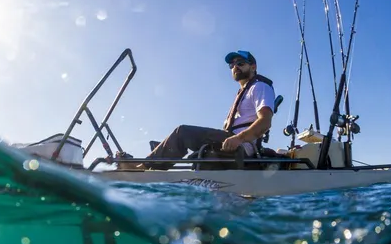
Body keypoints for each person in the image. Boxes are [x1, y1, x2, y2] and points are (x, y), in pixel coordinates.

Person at [118, 50, 276, 170]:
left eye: (240, 63)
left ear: (253, 67)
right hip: (232, 142)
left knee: (183, 132)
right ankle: (152, 162)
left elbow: (265, 122)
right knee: (186, 143)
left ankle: (142, 167)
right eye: (232, 65)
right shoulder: (243, 92)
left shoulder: (259, 87)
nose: (235, 67)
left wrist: (238, 139)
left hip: (242, 147)